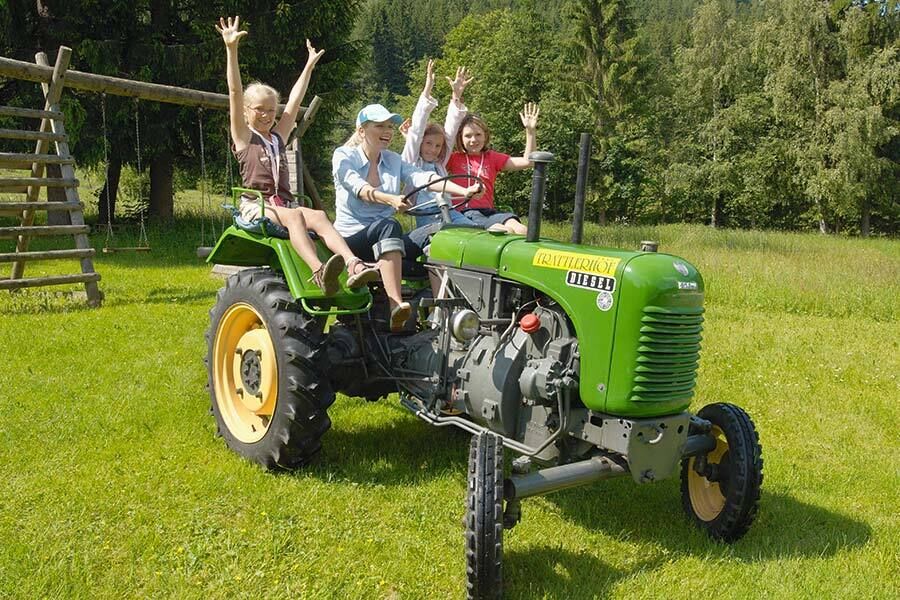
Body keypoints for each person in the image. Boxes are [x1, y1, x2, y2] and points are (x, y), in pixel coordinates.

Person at [217, 15, 378, 295]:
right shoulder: (244, 137)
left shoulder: (278, 136)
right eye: (259, 109)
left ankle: (354, 265)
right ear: (246, 110)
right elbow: (234, 92)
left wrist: (308, 66)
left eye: (270, 110)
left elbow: (294, 103)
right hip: (255, 205)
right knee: (294, 218)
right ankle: (319, 271)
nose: (267, 115)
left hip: (281, 204)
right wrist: (231, 49)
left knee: (317, 215)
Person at [332, 104, 482, 331]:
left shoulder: (392, 159)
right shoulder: (344, 156)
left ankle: (445, 314)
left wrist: (464, 190)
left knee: (440, 230)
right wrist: (389, 199)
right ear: (362, 131)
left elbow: (424, 177)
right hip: (354, 239)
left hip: (386, 239)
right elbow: (357, 187)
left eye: (390, 126)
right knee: (389, 224)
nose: (388, 131)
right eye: (380, 126)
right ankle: (396, 305)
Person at [400, 59, 478, 246]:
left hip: (449, 212)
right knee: (442, 243)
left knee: (476, 234)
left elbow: (450, 132)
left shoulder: (439, 164)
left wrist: (456, 95)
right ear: (420, 143)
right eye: (428, 143)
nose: (432, 149)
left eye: (437, 146)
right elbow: (417, 128)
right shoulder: (411, 162)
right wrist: (427, 90)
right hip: (427, 215)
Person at [446, 103, 541, 235]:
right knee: (504, 231)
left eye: (478, 134)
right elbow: (430, 159)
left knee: (523, 230)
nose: (473, 140)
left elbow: (529, 162)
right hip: (464, 213)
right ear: (460, 138)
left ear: (485, 136)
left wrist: (530, 131)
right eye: (468, 136)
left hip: (488, 211)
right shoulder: (453, 158)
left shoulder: (492, 157)